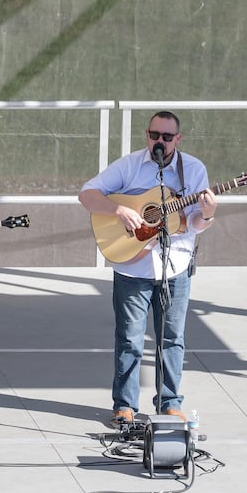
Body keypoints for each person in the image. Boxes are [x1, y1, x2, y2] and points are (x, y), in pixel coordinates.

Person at [78, 110, 217, 425]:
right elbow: (87, 194)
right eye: (155, 135)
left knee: (172, 338)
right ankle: (125, 405)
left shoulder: (193, 170)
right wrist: (119, 210)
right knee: (129, 337)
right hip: (133, 268)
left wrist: (207, 214)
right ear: (147, 135)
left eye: (167, 137)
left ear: (177, 139)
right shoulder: (129, 166)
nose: (160, 142)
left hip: (174, 267)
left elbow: (193, 222)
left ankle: (169, 402)